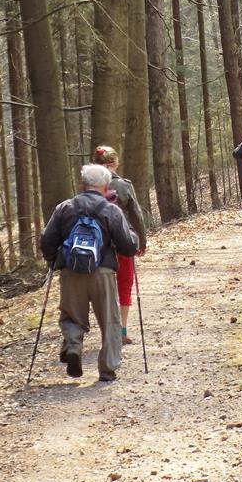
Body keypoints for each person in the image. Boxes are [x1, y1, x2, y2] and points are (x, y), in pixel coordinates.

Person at [40, 163, 139, 382]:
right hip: (102, 272)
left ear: (82, 184)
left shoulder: (64, 208)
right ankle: (108, 368)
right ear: (105, 186)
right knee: (109, 320)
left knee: (71, 315)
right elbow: (127, 246)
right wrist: (134, 238)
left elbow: (47, 240)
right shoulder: (111, 210)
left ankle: (74, 346)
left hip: (70, 271)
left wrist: (55, 261)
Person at [93, 145, 147, 345]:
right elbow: (136, 215)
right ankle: (122, 330)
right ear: (114, 162)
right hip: (123, 242)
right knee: (124, 285)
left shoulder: (89, 187)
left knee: (105, 289)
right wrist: (141, 241)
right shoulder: (124, 185)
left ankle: (108, 329)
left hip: (99, 246)